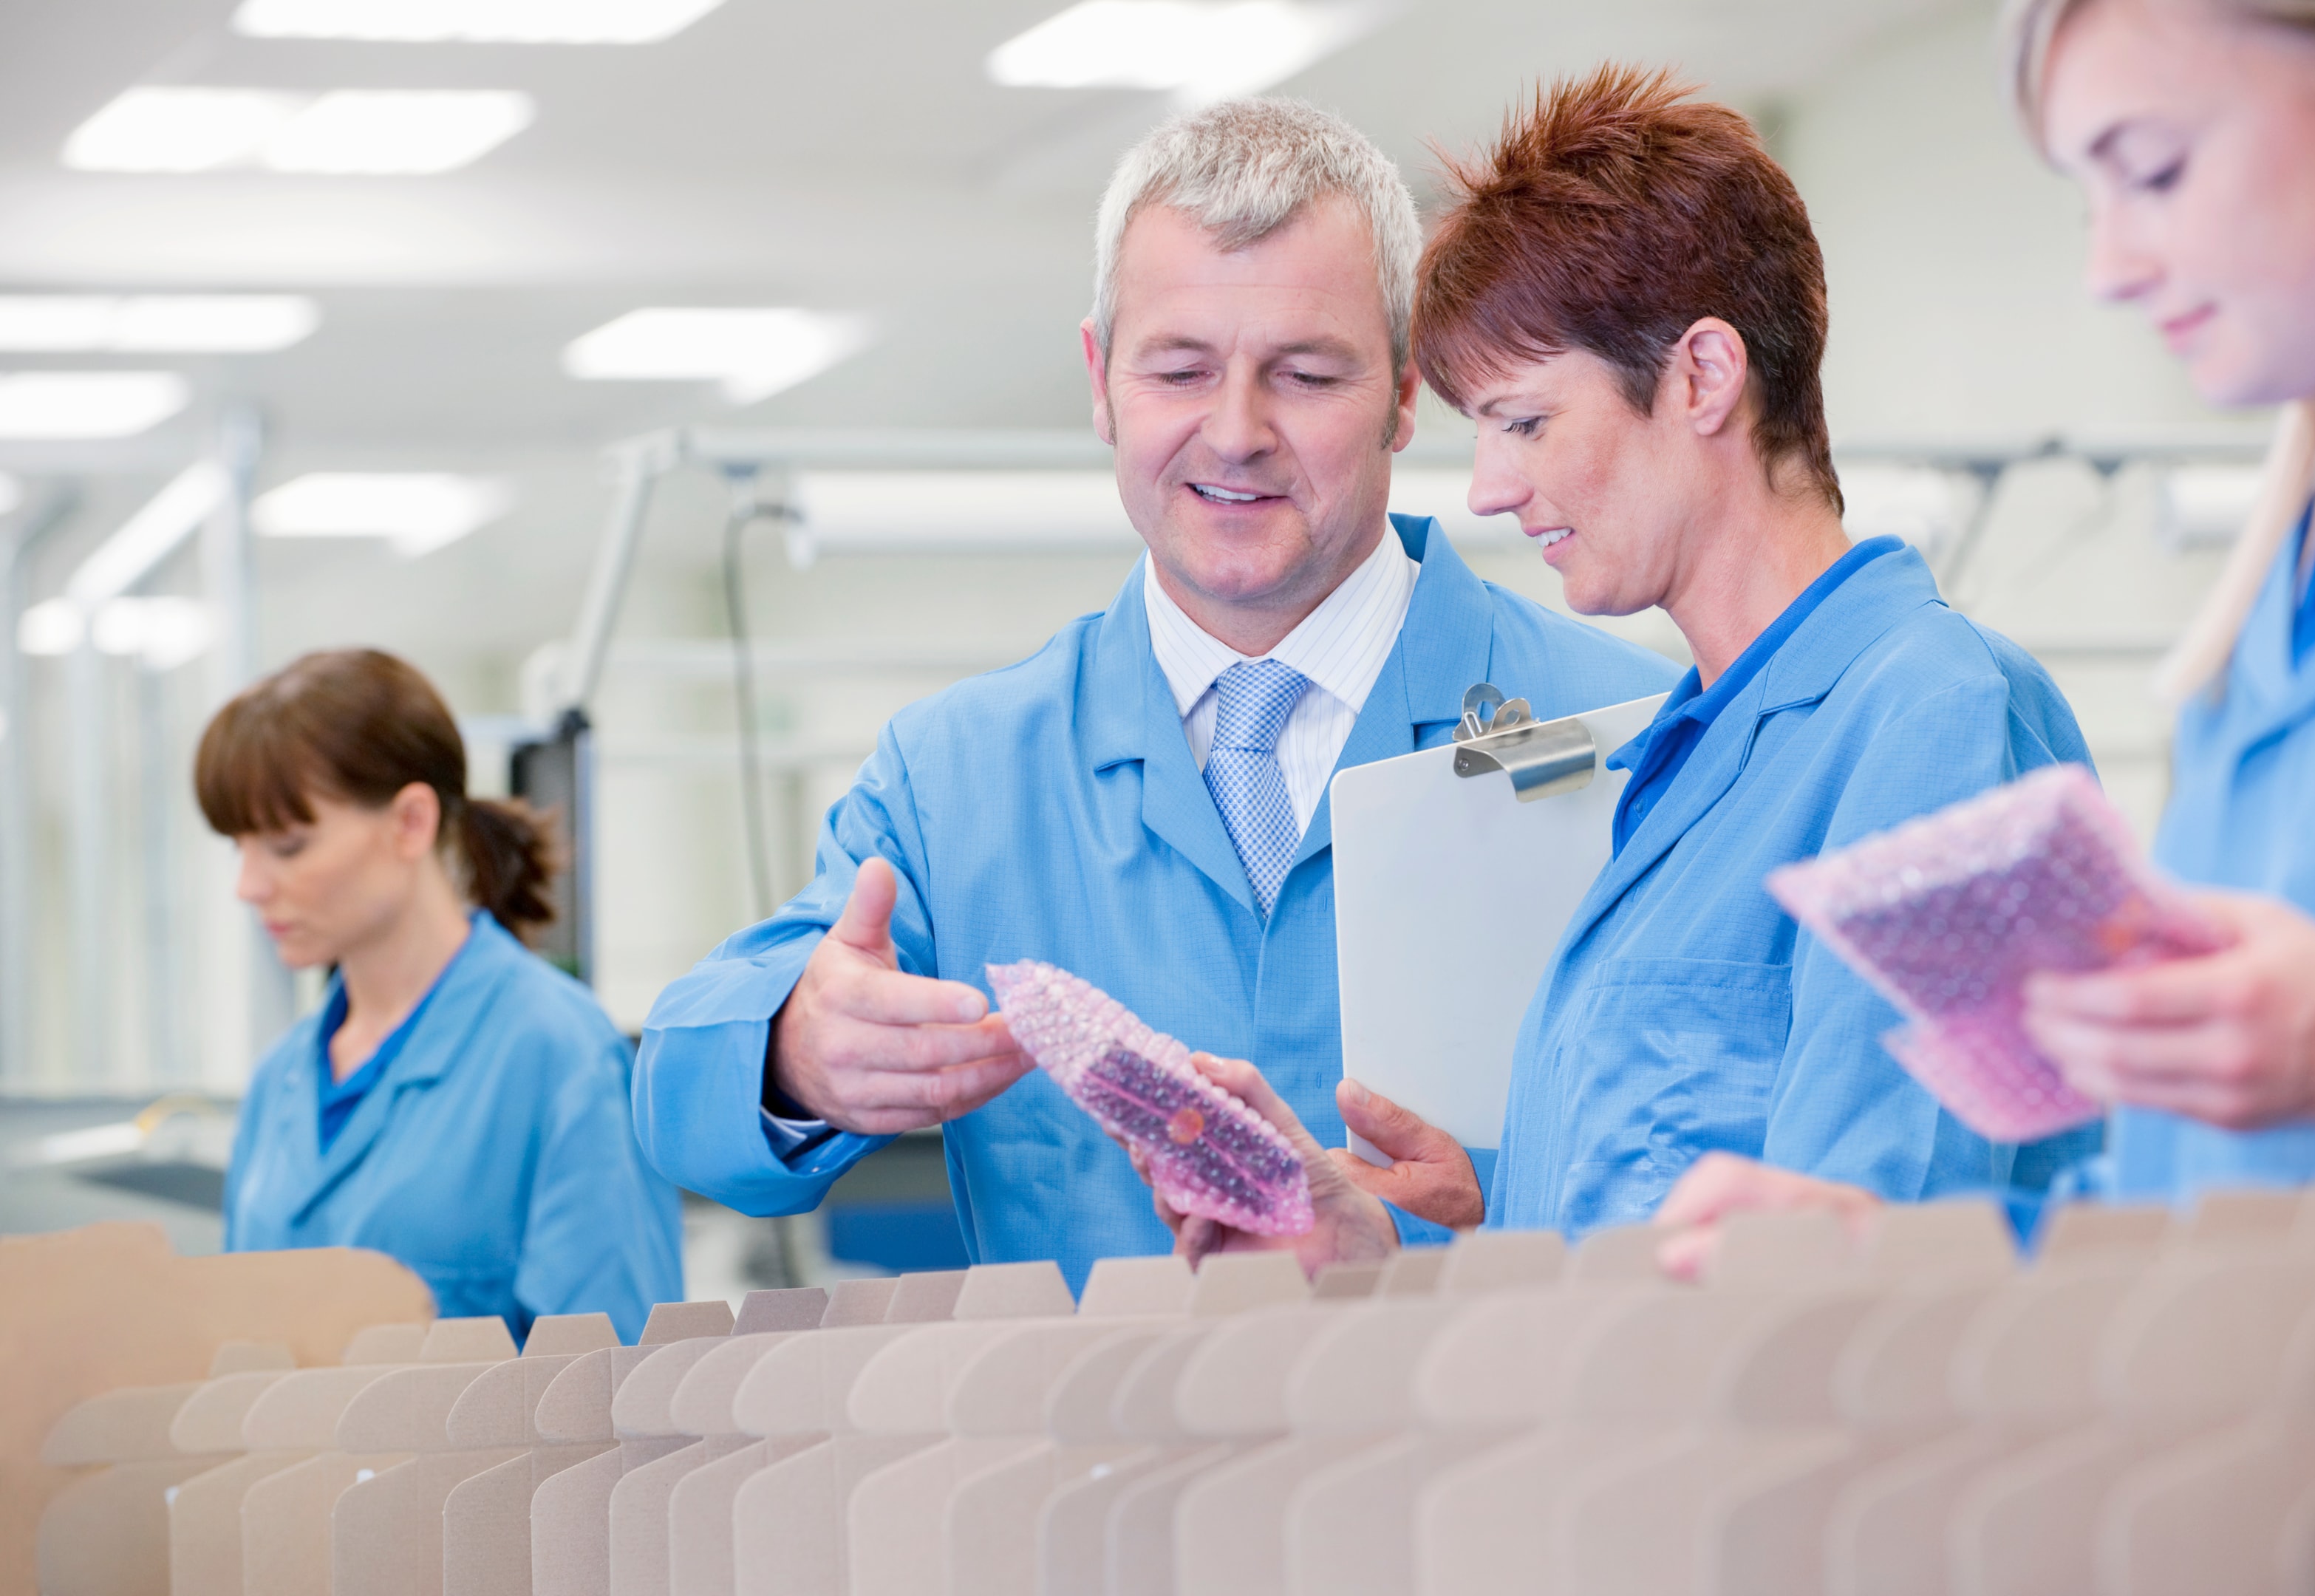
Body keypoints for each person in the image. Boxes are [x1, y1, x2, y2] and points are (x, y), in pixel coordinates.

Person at [628, 98, 1680, 1295]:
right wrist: (795, 1052)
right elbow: (680, 1106)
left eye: (1306, 373)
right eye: (1179, 369)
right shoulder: (957, 781)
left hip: (1492, 1461)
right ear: (1101, 379)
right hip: (1094, 1471)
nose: (1235, 434)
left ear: (1403, 388)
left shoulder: (1638, 734)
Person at [1142, 67, 2098, 1273]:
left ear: (1703, 377)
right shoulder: (1676, 768)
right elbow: (1666, 1222)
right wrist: (1410, 1249)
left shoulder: (1938, 720)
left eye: (1526, 422)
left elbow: (1881, 1281)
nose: (1489, 487)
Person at [1647, 0, 2315, 1273]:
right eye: (2086, 201)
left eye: (2155, 170)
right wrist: (1909, 1254)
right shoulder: (2274, 619)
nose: (2110, 267)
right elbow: (2190, 1207)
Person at [198, 649, 682, 1344]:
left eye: (288, 846)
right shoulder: (282, 1080)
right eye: (238, 848)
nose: (249, 885)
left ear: (410, 824)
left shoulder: (562, 1056)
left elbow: (624, 1391)